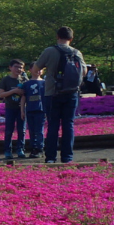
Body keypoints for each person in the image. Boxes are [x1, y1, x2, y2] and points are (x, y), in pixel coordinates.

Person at [32, 26, 87, 165]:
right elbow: (84, 71)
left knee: (53, 125)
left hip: (52, 92)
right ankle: (67, 157)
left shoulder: (50, 51)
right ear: (71, 38)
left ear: (57, 36)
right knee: (68, 124)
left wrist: (48, 69)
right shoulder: (77, 52)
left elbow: (36, 68)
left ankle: (50, 157)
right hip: (72, 92)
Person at [0, 60, 28, 163]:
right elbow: (1, 94)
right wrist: (14, 91)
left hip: (21, 108)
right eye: (16, 67)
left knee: (22, 130)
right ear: (10, 67)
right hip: (10, 108)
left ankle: (20, 149)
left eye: (20, 67)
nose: (18, 69)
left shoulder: (24, 80)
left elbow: (26, 94)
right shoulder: (6, 80)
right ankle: (7, 151)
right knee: (9, 130)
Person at [24, 69, 47, 159]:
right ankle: (33, 148)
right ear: (30, 70)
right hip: (30, 109)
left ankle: (40, 148)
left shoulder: (45, 83)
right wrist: (22, 110)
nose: (38, 71)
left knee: (39, 130)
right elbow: (23, 97)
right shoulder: (26, 84)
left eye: (40, 69)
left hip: (40, 110)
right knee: (32, 131)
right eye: (35, 68)